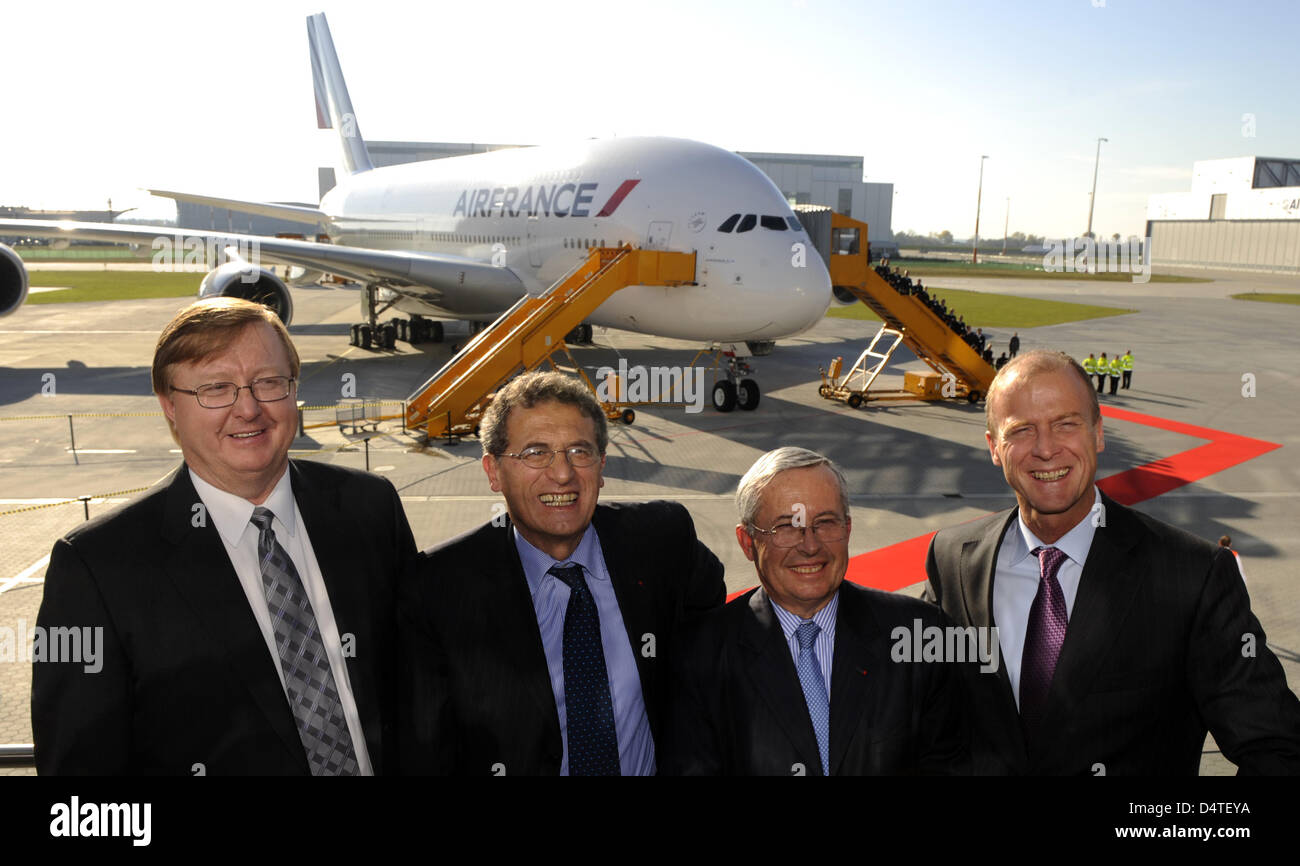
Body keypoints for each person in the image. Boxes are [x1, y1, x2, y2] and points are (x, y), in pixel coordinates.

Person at [32, 298, 416, 774]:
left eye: (269, 383)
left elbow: (422, 687)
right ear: (169, 406)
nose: (248, 408)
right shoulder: (97, 568)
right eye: (216, 389)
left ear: (294, 389)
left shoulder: (370, 508)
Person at [923, 350, 1300, 774]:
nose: (1046, 449)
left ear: (1098, 434)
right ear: (994, 447)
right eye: (1022, 430)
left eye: (1066, 424)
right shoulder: (952, 560)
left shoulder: (1192, 576)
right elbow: (923, 719)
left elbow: (1277, 748)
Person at [400, 371, 725, 775]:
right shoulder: (439, 589)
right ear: (493, 471)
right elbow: (426, 753)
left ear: (602, 466)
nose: (562, 474)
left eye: (579, 452)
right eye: (536, 452)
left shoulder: (663, 541)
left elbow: (719, 669)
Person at [664, 448, 967, 775]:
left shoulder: (921, 636)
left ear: (848, 529)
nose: (810, 545)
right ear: (747, 541)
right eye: (786, 527)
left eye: (825, 523)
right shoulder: (698, 655)